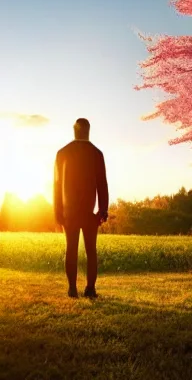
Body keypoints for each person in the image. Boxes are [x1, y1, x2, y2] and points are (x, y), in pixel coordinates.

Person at [54, 118, 109, 298]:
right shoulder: (97, 153)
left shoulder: (62, 153)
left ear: (74, 130)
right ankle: (90, 289)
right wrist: (102, 210)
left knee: (71, 249)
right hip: (89, 212)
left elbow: (55, 184)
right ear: (89, 130)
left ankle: (72, 289)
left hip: (69, 213)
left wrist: (57, 212)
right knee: (91, 251)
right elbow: (102, 184)